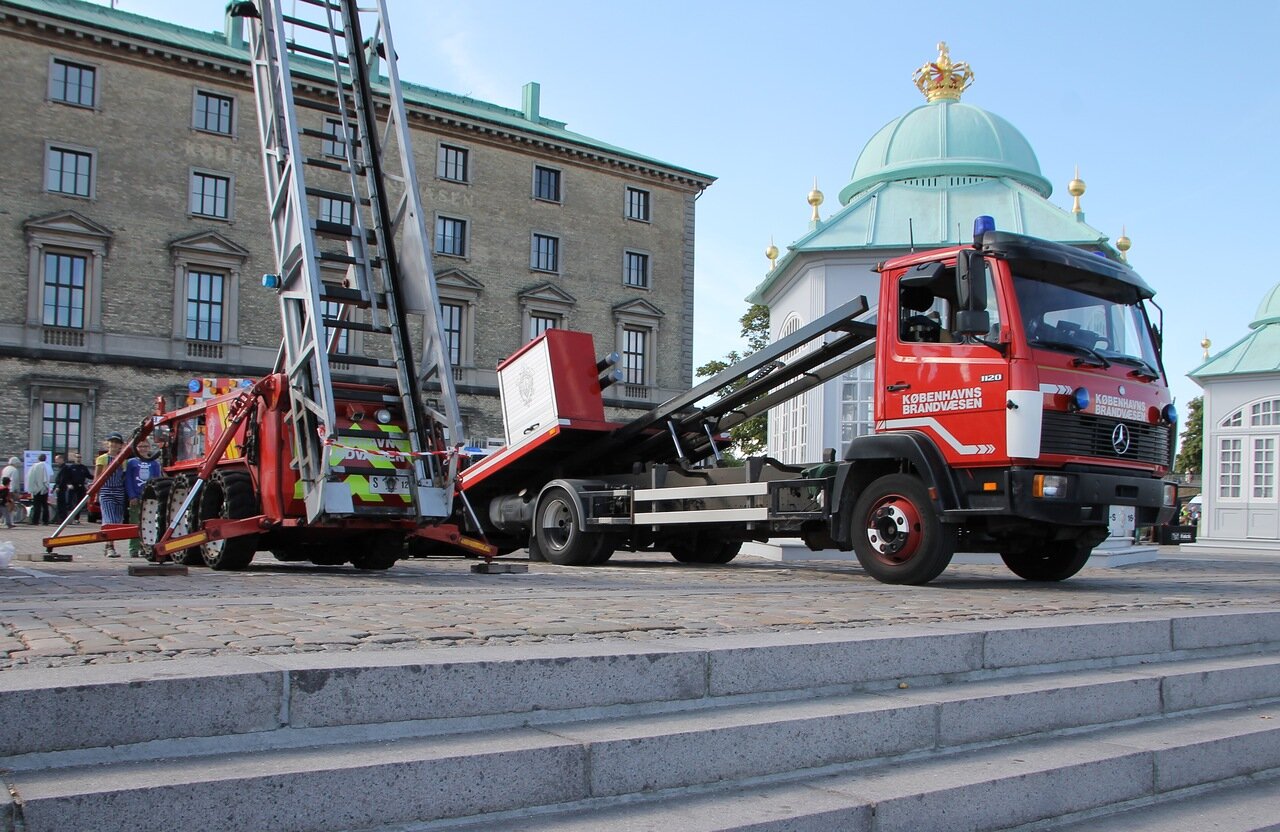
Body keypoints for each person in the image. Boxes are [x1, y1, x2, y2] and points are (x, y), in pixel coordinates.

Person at [124, 439, 161, 558]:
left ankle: (145, 546)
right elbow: (128, 480)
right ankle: (133, 547)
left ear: (149, 447)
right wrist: (132, 495)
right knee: (135, 522)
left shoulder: (154, 463)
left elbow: (157, 479)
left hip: (149, 498)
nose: (143, 449)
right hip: (136, 496)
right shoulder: (131, 462)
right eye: (140, 446)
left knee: (148, 522)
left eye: (145, 446)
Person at [95, 433, 128, 557]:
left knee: (117, 520)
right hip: (106, 490)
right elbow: (97, 477)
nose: (114, 444)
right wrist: (96, 493)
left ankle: (108, 544)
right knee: (110, 519)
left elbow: (124, 477)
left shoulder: (123, 459)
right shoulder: (102, 458)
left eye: (117, 442)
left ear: (120, 445)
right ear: (107, 443)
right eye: (112, 442)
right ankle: (110, 546)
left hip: (119, 490)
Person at [57, 452, 92, 525]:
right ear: (74, 458)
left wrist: (98, 476)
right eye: (77, 457)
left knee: (79, 503)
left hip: (81, 487)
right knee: (70, 503)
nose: (78, 459)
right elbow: (66, 477)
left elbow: (89, 476)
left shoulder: (83, 467)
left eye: (79, 457)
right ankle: (68, 518)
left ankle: (77, 518)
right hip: (73, 487)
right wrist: (69, 484)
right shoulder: (71, 467)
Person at [26, 453, 51, 525]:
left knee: (37, 505)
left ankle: (35, 520)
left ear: (38, 458)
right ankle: (45, 520)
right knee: (45, 505)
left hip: (37, 488)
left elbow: (31, 477)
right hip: (44, 488)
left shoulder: (35, 466)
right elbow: (49, 476)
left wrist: (32, 487)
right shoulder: (47, 466)